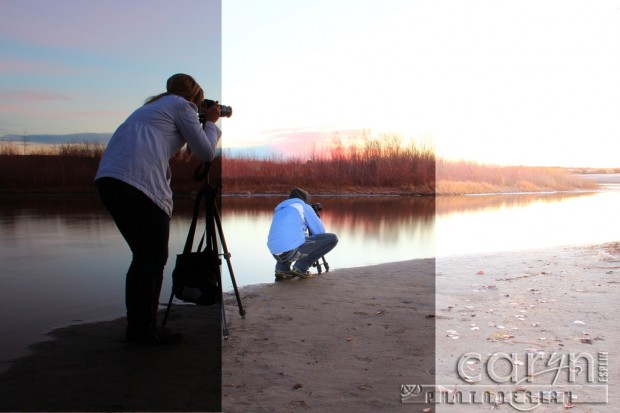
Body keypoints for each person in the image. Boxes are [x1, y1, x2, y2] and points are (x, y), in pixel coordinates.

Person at [94, 73, 222, 344]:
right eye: (199, 104)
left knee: (142, 257)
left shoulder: (150, 109)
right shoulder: (182, 106)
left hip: (110, 180)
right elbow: (206, 152)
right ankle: (145, 330)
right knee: (152, 258)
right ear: (194, 98)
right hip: (138, 183)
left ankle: (139, 327)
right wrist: (210, 122)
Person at [267, 188, 338, 281]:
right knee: (332, 239)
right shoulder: (303, 206)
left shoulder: (281, 209)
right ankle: (301, 267)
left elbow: (289, 234)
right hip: (290, 251)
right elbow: (320, 232)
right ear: (305, 199)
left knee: (289, 239)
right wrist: (314, 216)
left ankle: (282, 269)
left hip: (275, 252)